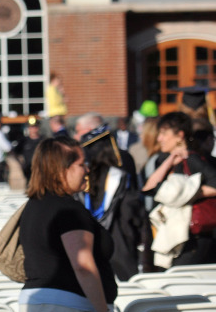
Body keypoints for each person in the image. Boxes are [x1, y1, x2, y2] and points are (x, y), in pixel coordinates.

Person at [18, 136, 117, 312]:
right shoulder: (68, 210)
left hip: (46, 306)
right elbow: (82, 265)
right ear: (61, 169)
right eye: (81, 164)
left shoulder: (34, 205)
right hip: (66, 310)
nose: (87, 170)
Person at [143, 112, 216, 267]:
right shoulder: (164, 160)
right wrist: (170, 160)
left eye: (163, 133)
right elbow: (149, 188)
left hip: (193, 238)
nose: (159, 139)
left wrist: (189, 194)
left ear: (179, 135)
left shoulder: (193, 159)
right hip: (172, 232)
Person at [80, 125, 146, 281]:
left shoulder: (84, 177)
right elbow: (133, 206)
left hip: (89, 241)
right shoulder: (122, 168)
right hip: (121, 238)